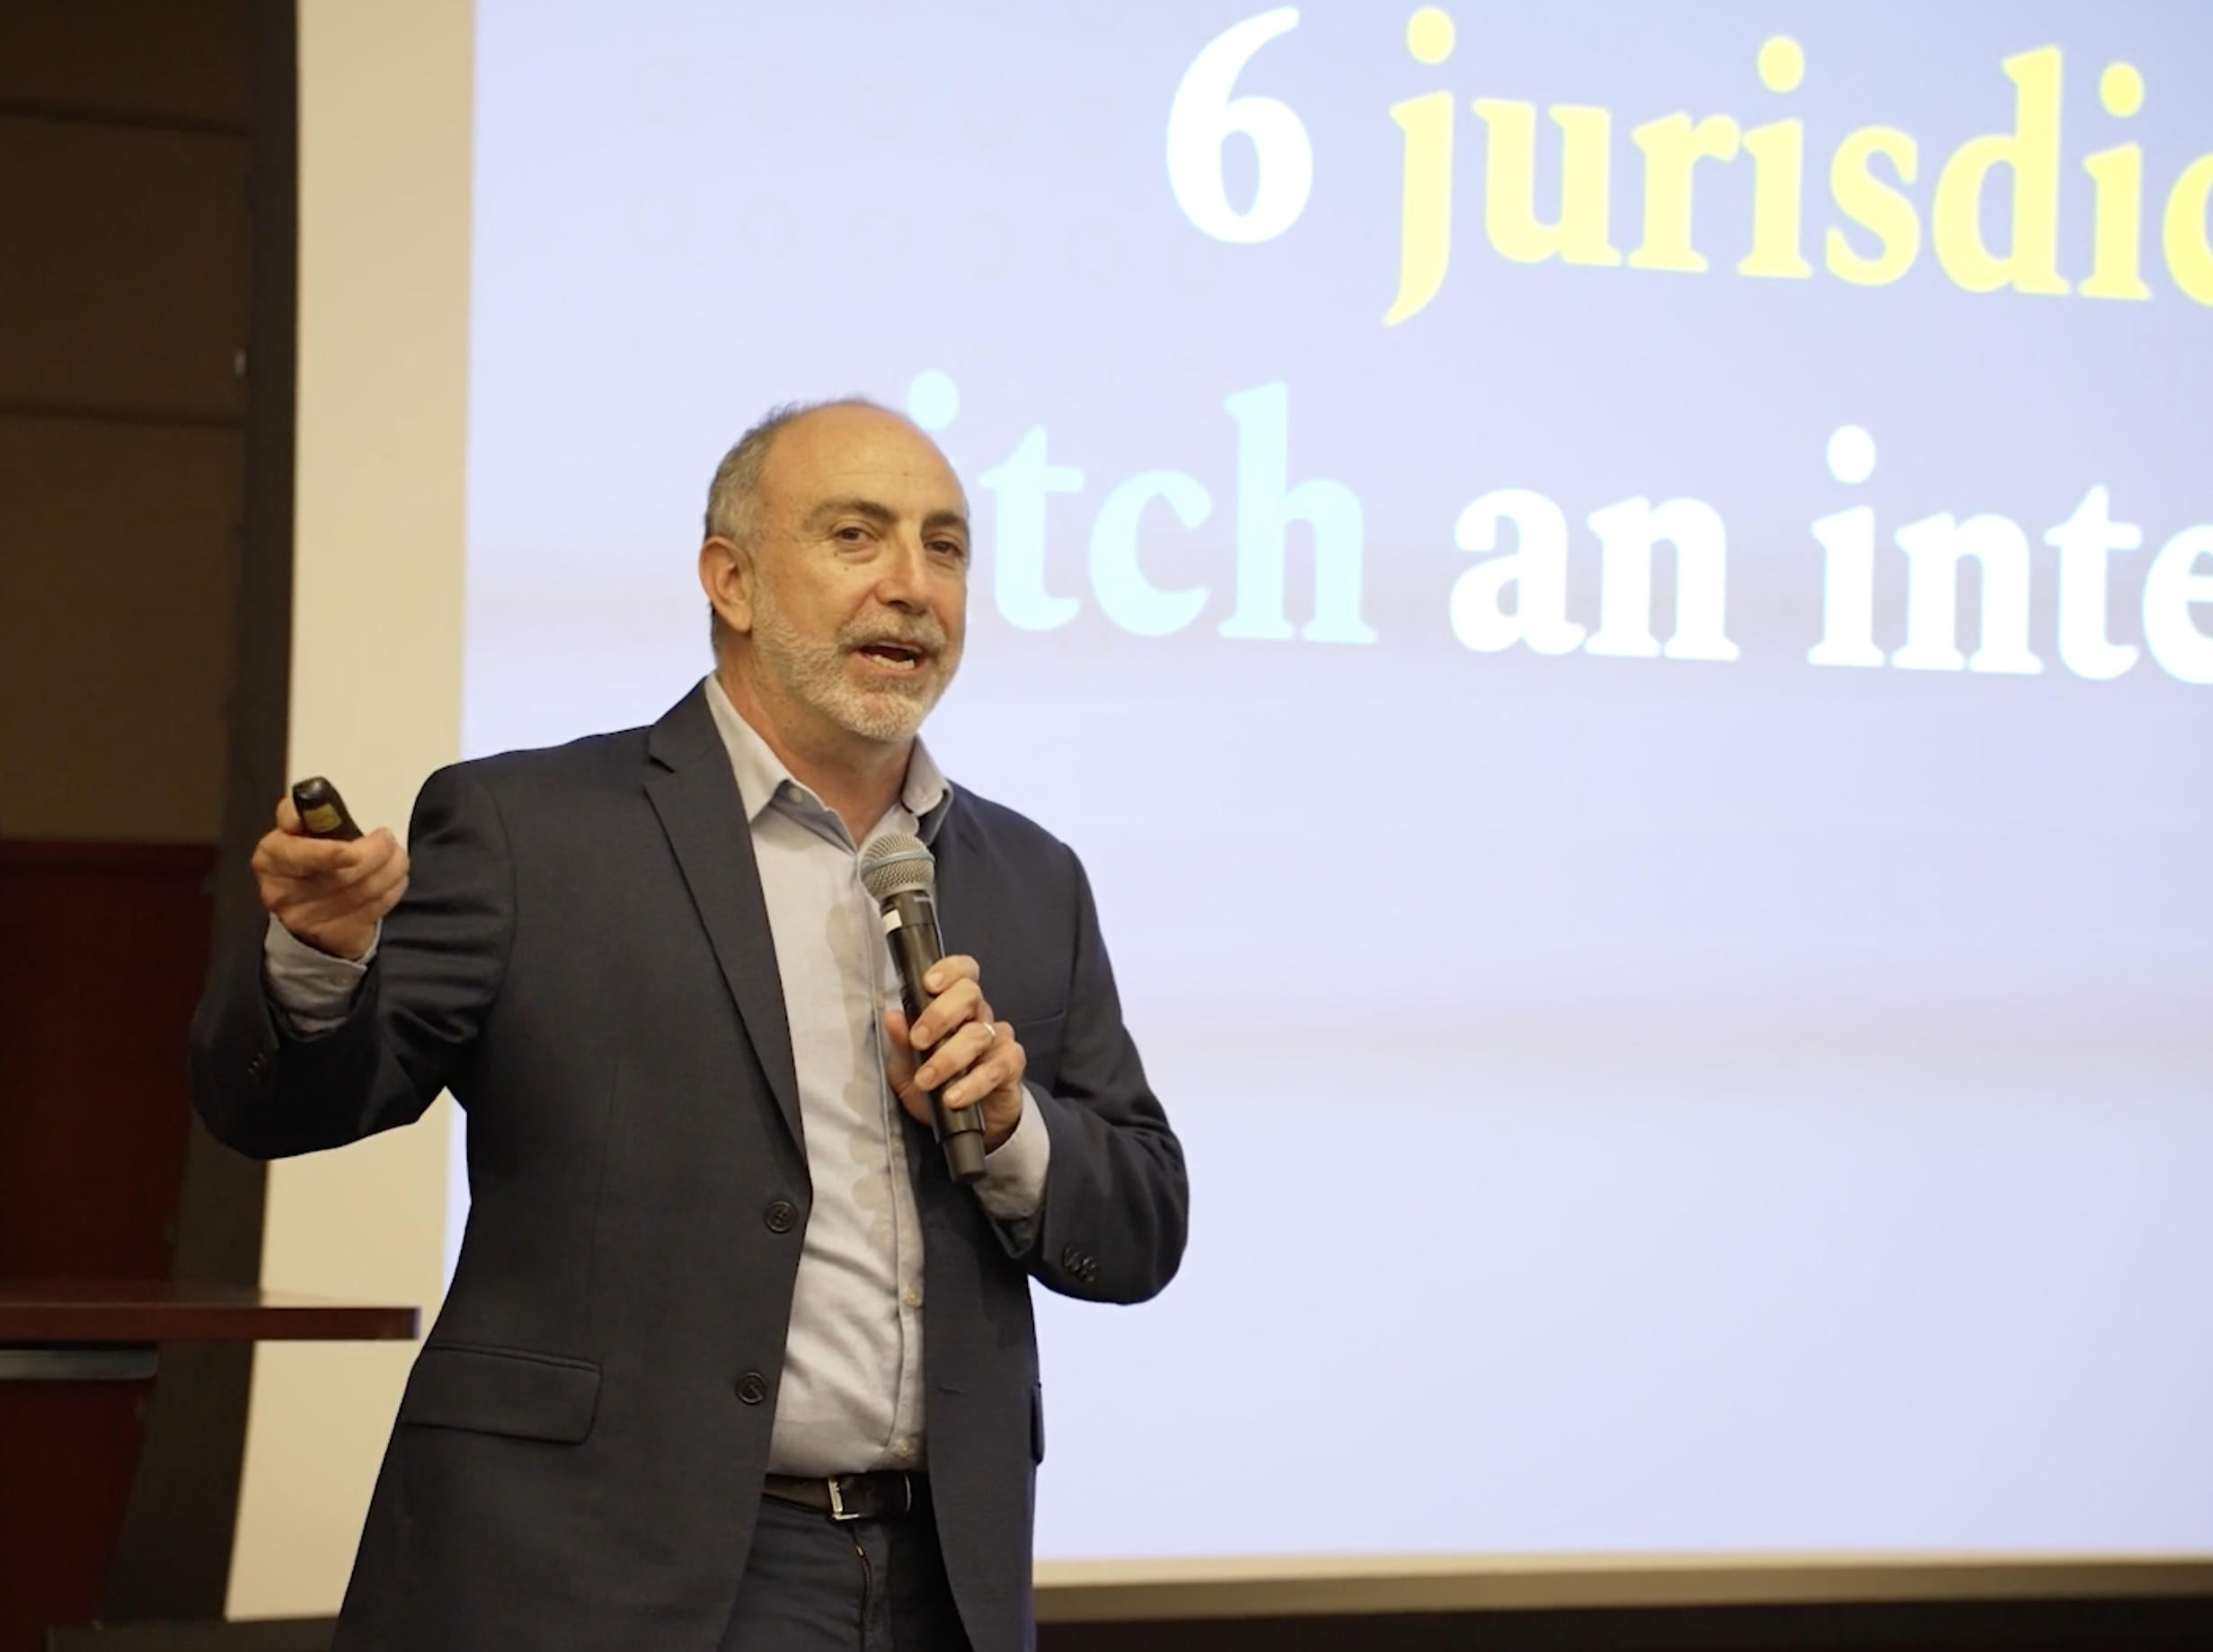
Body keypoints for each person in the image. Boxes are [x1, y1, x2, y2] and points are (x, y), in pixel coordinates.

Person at [190, 399, 1189, 1652]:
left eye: (944, 546)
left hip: (936, 1581)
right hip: (590, 1570)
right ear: (731, 579)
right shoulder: (532, 829)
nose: (911, 584)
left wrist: (1011, 1129)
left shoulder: (1031, 876)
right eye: (855, 535)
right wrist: (323, 956)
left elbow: (1142, 1221)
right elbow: (284, 1104)